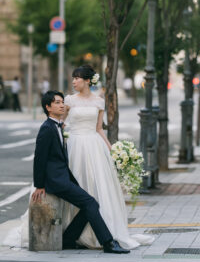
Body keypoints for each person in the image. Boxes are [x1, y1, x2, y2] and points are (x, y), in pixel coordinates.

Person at [62, 65, 154, 249]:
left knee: (98, 187)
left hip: (94, 145)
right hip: (74, 144)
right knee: (77, 183)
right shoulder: (69, 100)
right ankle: (70, 231)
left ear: (88, 81)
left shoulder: (99, 102)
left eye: (77, 78)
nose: (74, 81)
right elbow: (62, 124)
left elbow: (98, 129)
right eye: (73, 78)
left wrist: (112, 150)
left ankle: (99, 232)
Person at [31, 91, 128, 254]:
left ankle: (68, 239)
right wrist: (39, 185)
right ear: (48, 107)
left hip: (63, 178)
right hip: (56, 181)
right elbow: (39, 158)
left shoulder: (57, 126)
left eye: (62, 102)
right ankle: (108, 242)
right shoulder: (47, 128)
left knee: (90, 204)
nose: (61, 105)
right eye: (56, 103)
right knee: (90, 203)